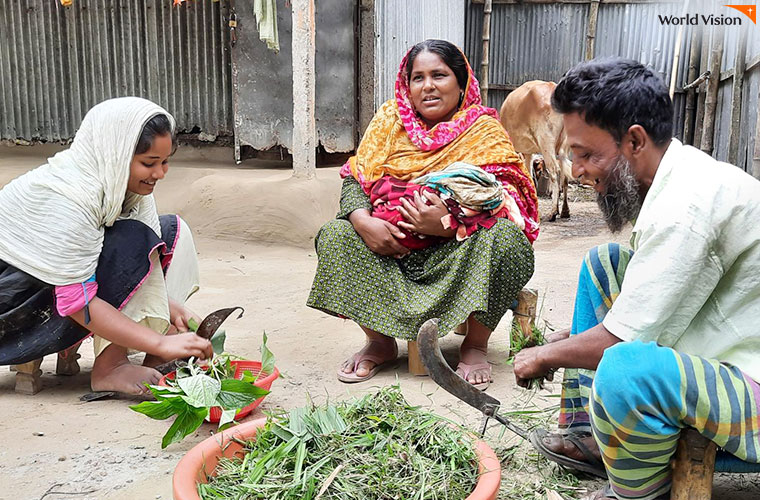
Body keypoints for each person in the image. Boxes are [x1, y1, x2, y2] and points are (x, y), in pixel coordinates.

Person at [513, 58, 760, 500]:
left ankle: (640, 492)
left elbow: (620, 344)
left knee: (624, 369)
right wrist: (577, 342)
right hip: (726, 348)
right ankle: (587, 436)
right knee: (604, 262)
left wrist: (546, 356)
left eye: (587, 154)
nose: (578, 170)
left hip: (753, 401)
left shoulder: (685, 210)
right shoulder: (677, 174)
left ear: (634, 140)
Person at [307, 39, 538, 389]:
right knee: (335, 236)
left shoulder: (483, 131)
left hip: (457, 256)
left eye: (439, 75)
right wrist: (362, 221)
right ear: (407, 86)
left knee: (508, 241)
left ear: (461, 84)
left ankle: (475, 345)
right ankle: (379, 343)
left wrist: (450, 225)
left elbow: (509, 199)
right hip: (391, 253)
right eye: (418, 78)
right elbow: (356, 177)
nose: (428, 86)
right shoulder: (389, 122)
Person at [0, 97, 213, 395]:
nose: (160, 173)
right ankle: (110, 367)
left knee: (171, 230)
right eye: (149, 163)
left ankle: (153, 356)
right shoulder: (71, 198)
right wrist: (160, 341)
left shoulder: (125, 190)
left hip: (55, 289)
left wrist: (169, 307)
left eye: (165, 162)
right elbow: (75, 302)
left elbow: (148, 264)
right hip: (14, 306)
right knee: (131, 241)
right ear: (115, 155)